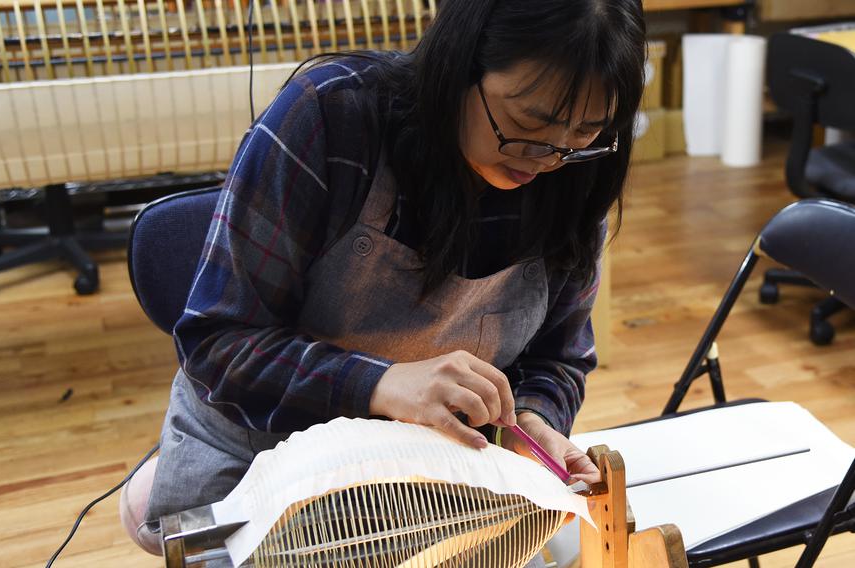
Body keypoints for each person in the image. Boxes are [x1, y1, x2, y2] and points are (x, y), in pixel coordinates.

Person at [120, 0, 647, 554]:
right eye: (527, 123)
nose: (548, 157)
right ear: (461, 61)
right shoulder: (331, 116)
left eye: (587, 131)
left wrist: (536, 420)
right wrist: (380, 383)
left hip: (421, 476)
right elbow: (218, 344)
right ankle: (153, 485)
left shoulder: (575, 172)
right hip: (261, 451)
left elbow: (557, 357)